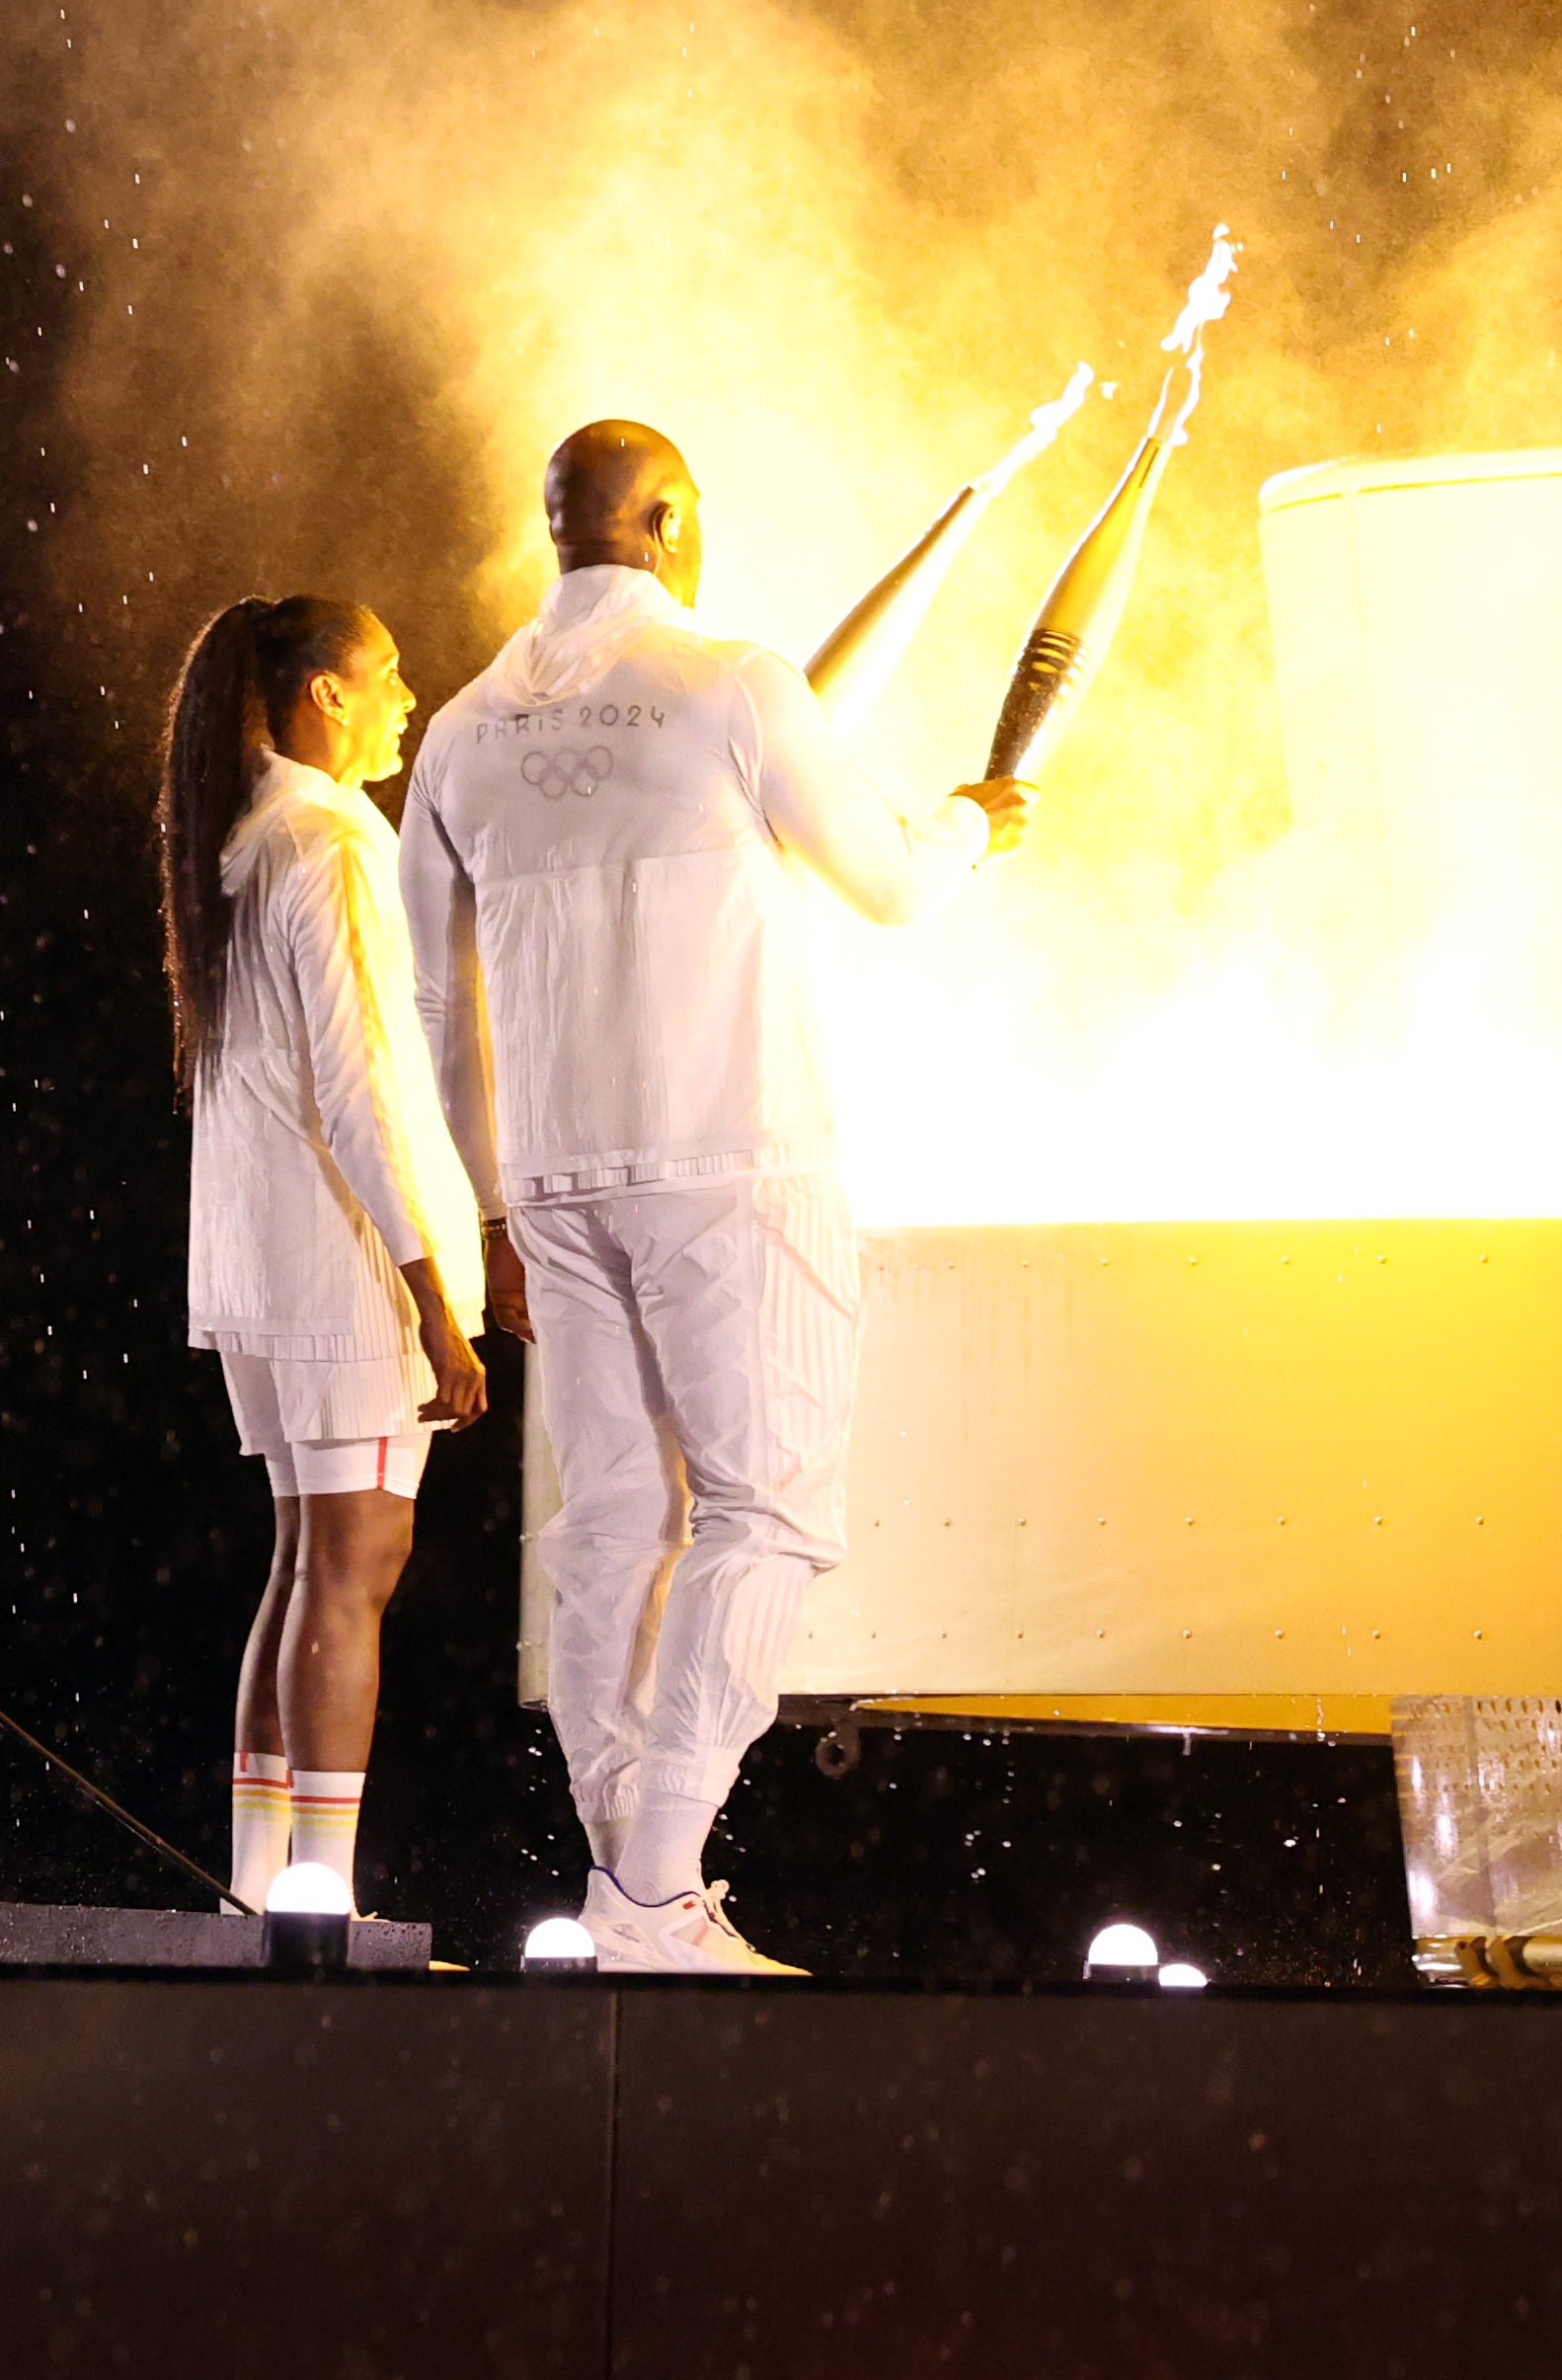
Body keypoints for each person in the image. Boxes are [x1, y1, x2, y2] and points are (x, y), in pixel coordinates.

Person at [404, 421, 1029, 1975]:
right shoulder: (735, 685)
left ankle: (638, 1886)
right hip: (736, 1163)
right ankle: (652, 1882)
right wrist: (973, 826)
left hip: (553, 1181)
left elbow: (432, 1003)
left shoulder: (468, 735)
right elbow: (886, 884)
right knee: (768, 1512)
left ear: (558, 530)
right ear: (670, 518)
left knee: (619, 1517)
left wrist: (483, 1218)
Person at [161, 592, 489, 1922]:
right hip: (340, 1271)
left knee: (304, 1564)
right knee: (349, 1577)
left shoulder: (237, 843)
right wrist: (434, 1301)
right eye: (391, 672)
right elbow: (360, 1092)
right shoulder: (328, 843)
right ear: (326, 696)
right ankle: (322, 1904)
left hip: (258, 1267)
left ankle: (263, 1892)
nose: (410, 696)